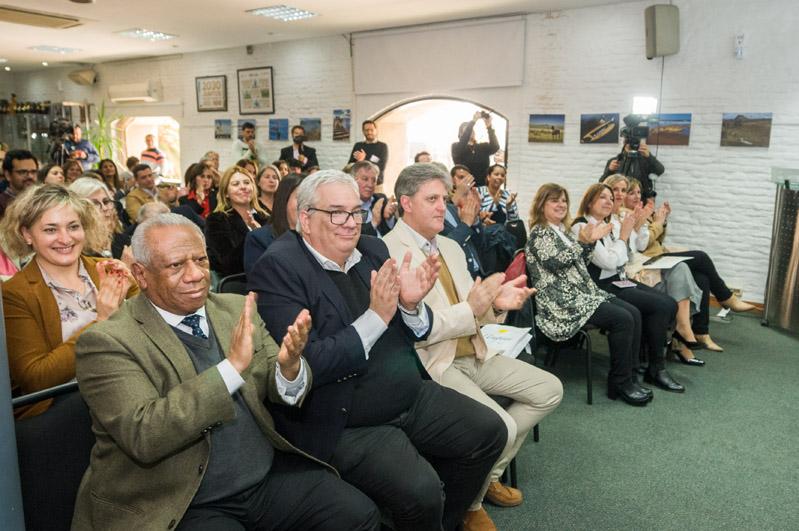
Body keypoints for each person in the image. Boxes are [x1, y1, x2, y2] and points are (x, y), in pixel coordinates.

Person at [72, 213, 380, 530]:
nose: (195, 275)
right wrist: (231, 369)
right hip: (180, 500)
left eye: (201, 260)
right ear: (141, 274)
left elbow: (281, 386)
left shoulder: (234, 308)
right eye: (176, 266)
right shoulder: (107, 342)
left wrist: (290, 368)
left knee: (358, 514)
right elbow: (145, 435)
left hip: (261, 478)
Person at [248, 170, 507, 531]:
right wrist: (375, 317)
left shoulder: (372, 248)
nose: (350, 223)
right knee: (423, 491)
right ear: (305, 219)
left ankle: (444, 522)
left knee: (489, 431)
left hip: (409, 393)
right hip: (346, 417)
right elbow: (308, 364)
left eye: (356, 212)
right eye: (336, 213)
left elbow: (411, 329)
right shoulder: (279, 266)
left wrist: (411, 307)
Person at [383, 163, 563, 530]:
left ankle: (484, 475)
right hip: (434, 362)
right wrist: (475, 307)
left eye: (442, 199)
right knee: (504, 428)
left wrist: (497, 304)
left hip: (474, 349)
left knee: (549, 389)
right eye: (431, 199)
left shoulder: (448, 245)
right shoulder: (388, 250)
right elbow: (417, 330)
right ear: (406, 203)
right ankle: (471, 501)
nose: (441, 207)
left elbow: (472, 307)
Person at [0, 184, 137, 419]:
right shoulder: (15, 293)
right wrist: (101, 322)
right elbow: (36, 379)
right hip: (66, 410)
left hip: (129, 387)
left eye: (73, 227)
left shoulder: (110, 271)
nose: (65, 239)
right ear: (27, 234)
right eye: (51, 230)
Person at [525, 183, 653, 406]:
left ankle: (630, 376)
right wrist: (583, 242)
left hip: (580, 293)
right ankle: (620, 383)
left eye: (564, 200)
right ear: (541, 204)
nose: (561, 204)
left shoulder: (562, 232)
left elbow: (578, 263)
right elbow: (555, 263)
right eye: (554, 200)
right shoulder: (539, 233)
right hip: (561, 301)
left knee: (633, 312)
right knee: (622, 318)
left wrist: (587, 244)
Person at [573, 183, 685, 392]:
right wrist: (623, 237)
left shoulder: (607, 225)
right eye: (602, 198)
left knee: (668, 304)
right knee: (654, 307)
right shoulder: (582, 226)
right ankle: (650, 368)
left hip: (618, 278)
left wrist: (628, 233)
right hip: (601, 284)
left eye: (610, 197)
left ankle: (650, 365)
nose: (609, 201)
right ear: (589, 203)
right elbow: (608, 261)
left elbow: (623, 257)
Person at [625, 178, 754, 352]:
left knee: (702, 277)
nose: (636, 196)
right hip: (648, 261)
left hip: (659, 254)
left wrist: (661, 220)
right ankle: (726, 298)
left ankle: (701, 332)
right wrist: (657, 223)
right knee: (701, 257)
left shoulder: (639, 212)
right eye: (630, 192)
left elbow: (657, 240)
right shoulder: (625, 214)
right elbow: (643, 244)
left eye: (638, 192)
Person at [604, 174, 706, 365]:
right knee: (682, 283)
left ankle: (682, 334)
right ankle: (679, 341)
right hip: (624, 272)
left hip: (634, 265)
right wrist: (639, 228)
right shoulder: (607, 219)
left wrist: (643, 225)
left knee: (687, 272)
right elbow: (621, 256)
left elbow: (638, 245)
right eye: (615, 190)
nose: (619, 194)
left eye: (623, 190)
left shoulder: (626, 215)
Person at [205, 167, 269, 278]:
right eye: (236, 184)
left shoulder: (266, 216)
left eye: (247, 182)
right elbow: (228, 263)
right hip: (240, 282)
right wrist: (254, 236)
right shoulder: (217, 220)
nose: (243, 187)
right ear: (226, 193)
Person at [244, 174, 304, 275]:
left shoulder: (319, 238)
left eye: (311, 199)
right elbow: (262, 282)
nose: (306, 205)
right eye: (300, 198)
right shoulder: (259, 239)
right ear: (284, 199)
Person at [70, 177, 131, 261]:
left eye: (106, 201)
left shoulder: (124, 241)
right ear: (78, 210)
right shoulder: (74, 251)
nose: (105, 208)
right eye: (95, 204)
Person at [600, 129, 664, 199]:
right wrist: (609, 170)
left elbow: (660, 171)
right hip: (620, 200)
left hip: (640, 199)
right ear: (624, 142)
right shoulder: (615, 161)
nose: (631, 144)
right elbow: (602, 183)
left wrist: (649, 157)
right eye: (629, 141)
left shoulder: (645, 160)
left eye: (635, 141)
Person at [451, 111, 500, 187]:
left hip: (483, 188)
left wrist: (489, 127)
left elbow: (495, 147)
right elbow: (463, 142)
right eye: (467, 130)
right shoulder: (456, 147)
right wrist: (473, 121)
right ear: (461, 134)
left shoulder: (482, 147)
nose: (470, 132)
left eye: (472, 130)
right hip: (464, 188)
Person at [351, 160, 396, 236]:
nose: (370, 185)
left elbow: (394, 232)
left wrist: (389, 219)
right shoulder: (350, 205)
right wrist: (374, 222)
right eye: (365, 179)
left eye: (374, 180)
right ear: (353, 181)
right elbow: (355, 235)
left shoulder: (380, 200)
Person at [1, 149, 38, 219]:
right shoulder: (2, 204)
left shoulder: (42, 201)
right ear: (8, 175)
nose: (30, 176)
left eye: (33, 172)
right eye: (23, 172)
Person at [349, 120, 389, 184]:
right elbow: (349, 166)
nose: (369, 132)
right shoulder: (358, 145)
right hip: (359, 184)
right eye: (366, 130)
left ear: (376, 130)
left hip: (376, 184)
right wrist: (359, 161)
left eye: (371, 130)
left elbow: (381, 167)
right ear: (363, 131)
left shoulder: (382, 146)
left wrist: (363, 160)